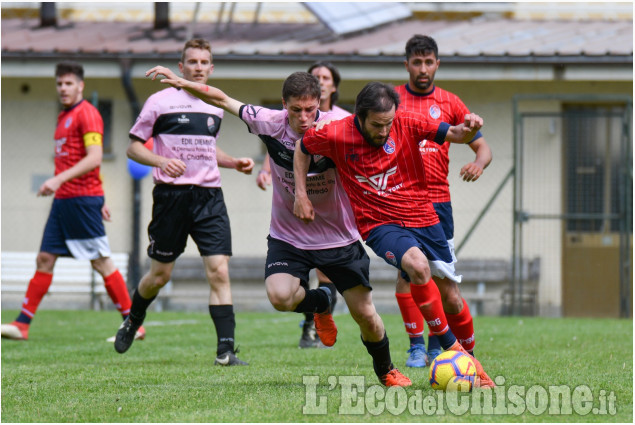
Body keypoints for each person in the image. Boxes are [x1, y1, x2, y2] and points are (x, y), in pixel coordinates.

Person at [144, 65, 411, 387]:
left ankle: (386, 370)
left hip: (338, 237)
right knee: (279, 296)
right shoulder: (268, 122)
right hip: (289, 237)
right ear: (284, 105)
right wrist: (181, 82)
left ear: (320, 104)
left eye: (310, 109)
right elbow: (221, 98)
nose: (303, 117)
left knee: (366, 315)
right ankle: (323, 302)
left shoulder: (337, 128)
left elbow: (387, 129)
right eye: (296, 110)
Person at [294, 81, 495, 388]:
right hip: (378, 224)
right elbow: (302, 147)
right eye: (377, 124)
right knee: (416, 265)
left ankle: (469, 361)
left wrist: (469, 126)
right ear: (359, 117)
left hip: (424, 217)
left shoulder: (407, 122)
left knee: (452, 299)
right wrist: (301, 194)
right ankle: (450, 348)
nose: (385, 130)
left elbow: (455, 135)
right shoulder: (335, 132)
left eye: (388, 123)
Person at [113, 39, 254, 367]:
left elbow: (207, 149)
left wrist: (234, 162)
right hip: (171, 199)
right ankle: (133, 319)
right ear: (181, 66)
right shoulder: (159, 102)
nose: (199, 67)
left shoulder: (215, 104)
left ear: (212, 67)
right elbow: (134, 148)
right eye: (192, 61)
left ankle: (226, 350)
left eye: (205, 62)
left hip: (209, 197)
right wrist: (161, 162)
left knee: (219, 271)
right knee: (159, 275)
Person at [0, 62, 141, 341]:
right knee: (44, 259)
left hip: (80, 201)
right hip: (64, 202)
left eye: (68, 83)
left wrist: (59, 180)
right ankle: (22, 324)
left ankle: (132, 324)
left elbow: (94, 157)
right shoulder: (64, 116)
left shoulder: (87, 114)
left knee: (101, 263)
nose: (63, 88)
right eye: (59, 84)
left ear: (80, 86)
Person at [394, 34, 493, 367]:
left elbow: (482, 146)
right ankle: (415, 346)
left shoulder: (451, 102)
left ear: (437, 64)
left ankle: (439, 344)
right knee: (408, 273)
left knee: (440, 276)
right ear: (407, 64)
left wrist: (477, 164)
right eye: (417, 62)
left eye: (429, 62)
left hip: (438, 202)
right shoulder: (392, 100)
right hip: (402, 198)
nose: (423, 68)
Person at [256, 61, 350, 349]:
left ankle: (314, 323)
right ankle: (315, 313)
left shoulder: (344, 120)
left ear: (331, 88)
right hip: (292, 223)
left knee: (327, 278)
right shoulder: (283, 121)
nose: (321, 80)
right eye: (316, 76)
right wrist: (266, 169)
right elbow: (279, 148)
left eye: (325, 77)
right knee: (282, 293)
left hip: (329, 221)